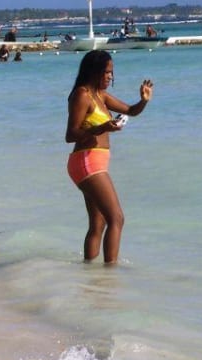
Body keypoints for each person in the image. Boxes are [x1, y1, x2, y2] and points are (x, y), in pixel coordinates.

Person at [65, 50, 153, 264]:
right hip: (86, 161)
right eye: (106, 72)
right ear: (93, 71)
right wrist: (100, 128)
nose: (110, 77)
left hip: (93, 161)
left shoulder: (100, 96)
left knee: (99, 222)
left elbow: (131, 110)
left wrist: (143, 100)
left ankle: (90, 274)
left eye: (111, 73)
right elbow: (70, 134)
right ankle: (110, 273)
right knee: (117, 218)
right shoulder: (82, 95)